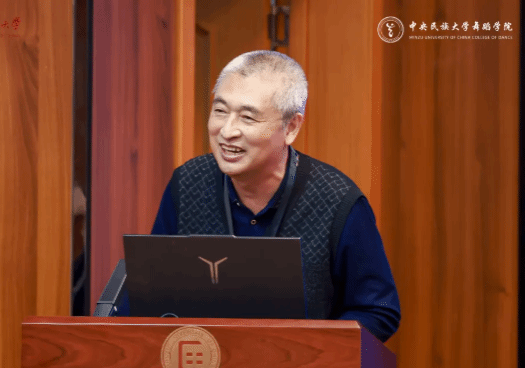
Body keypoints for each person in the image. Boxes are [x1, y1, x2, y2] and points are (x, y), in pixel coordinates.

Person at [119, 50, 400, 342]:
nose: (227, 131)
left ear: (291, 127)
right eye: (220, 111)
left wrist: (312, 349)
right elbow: (151, 294)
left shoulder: (338, 200)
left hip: (298, 366)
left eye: (248, 117)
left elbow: (378, 311)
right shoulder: (188, 182)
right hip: (200, 362)